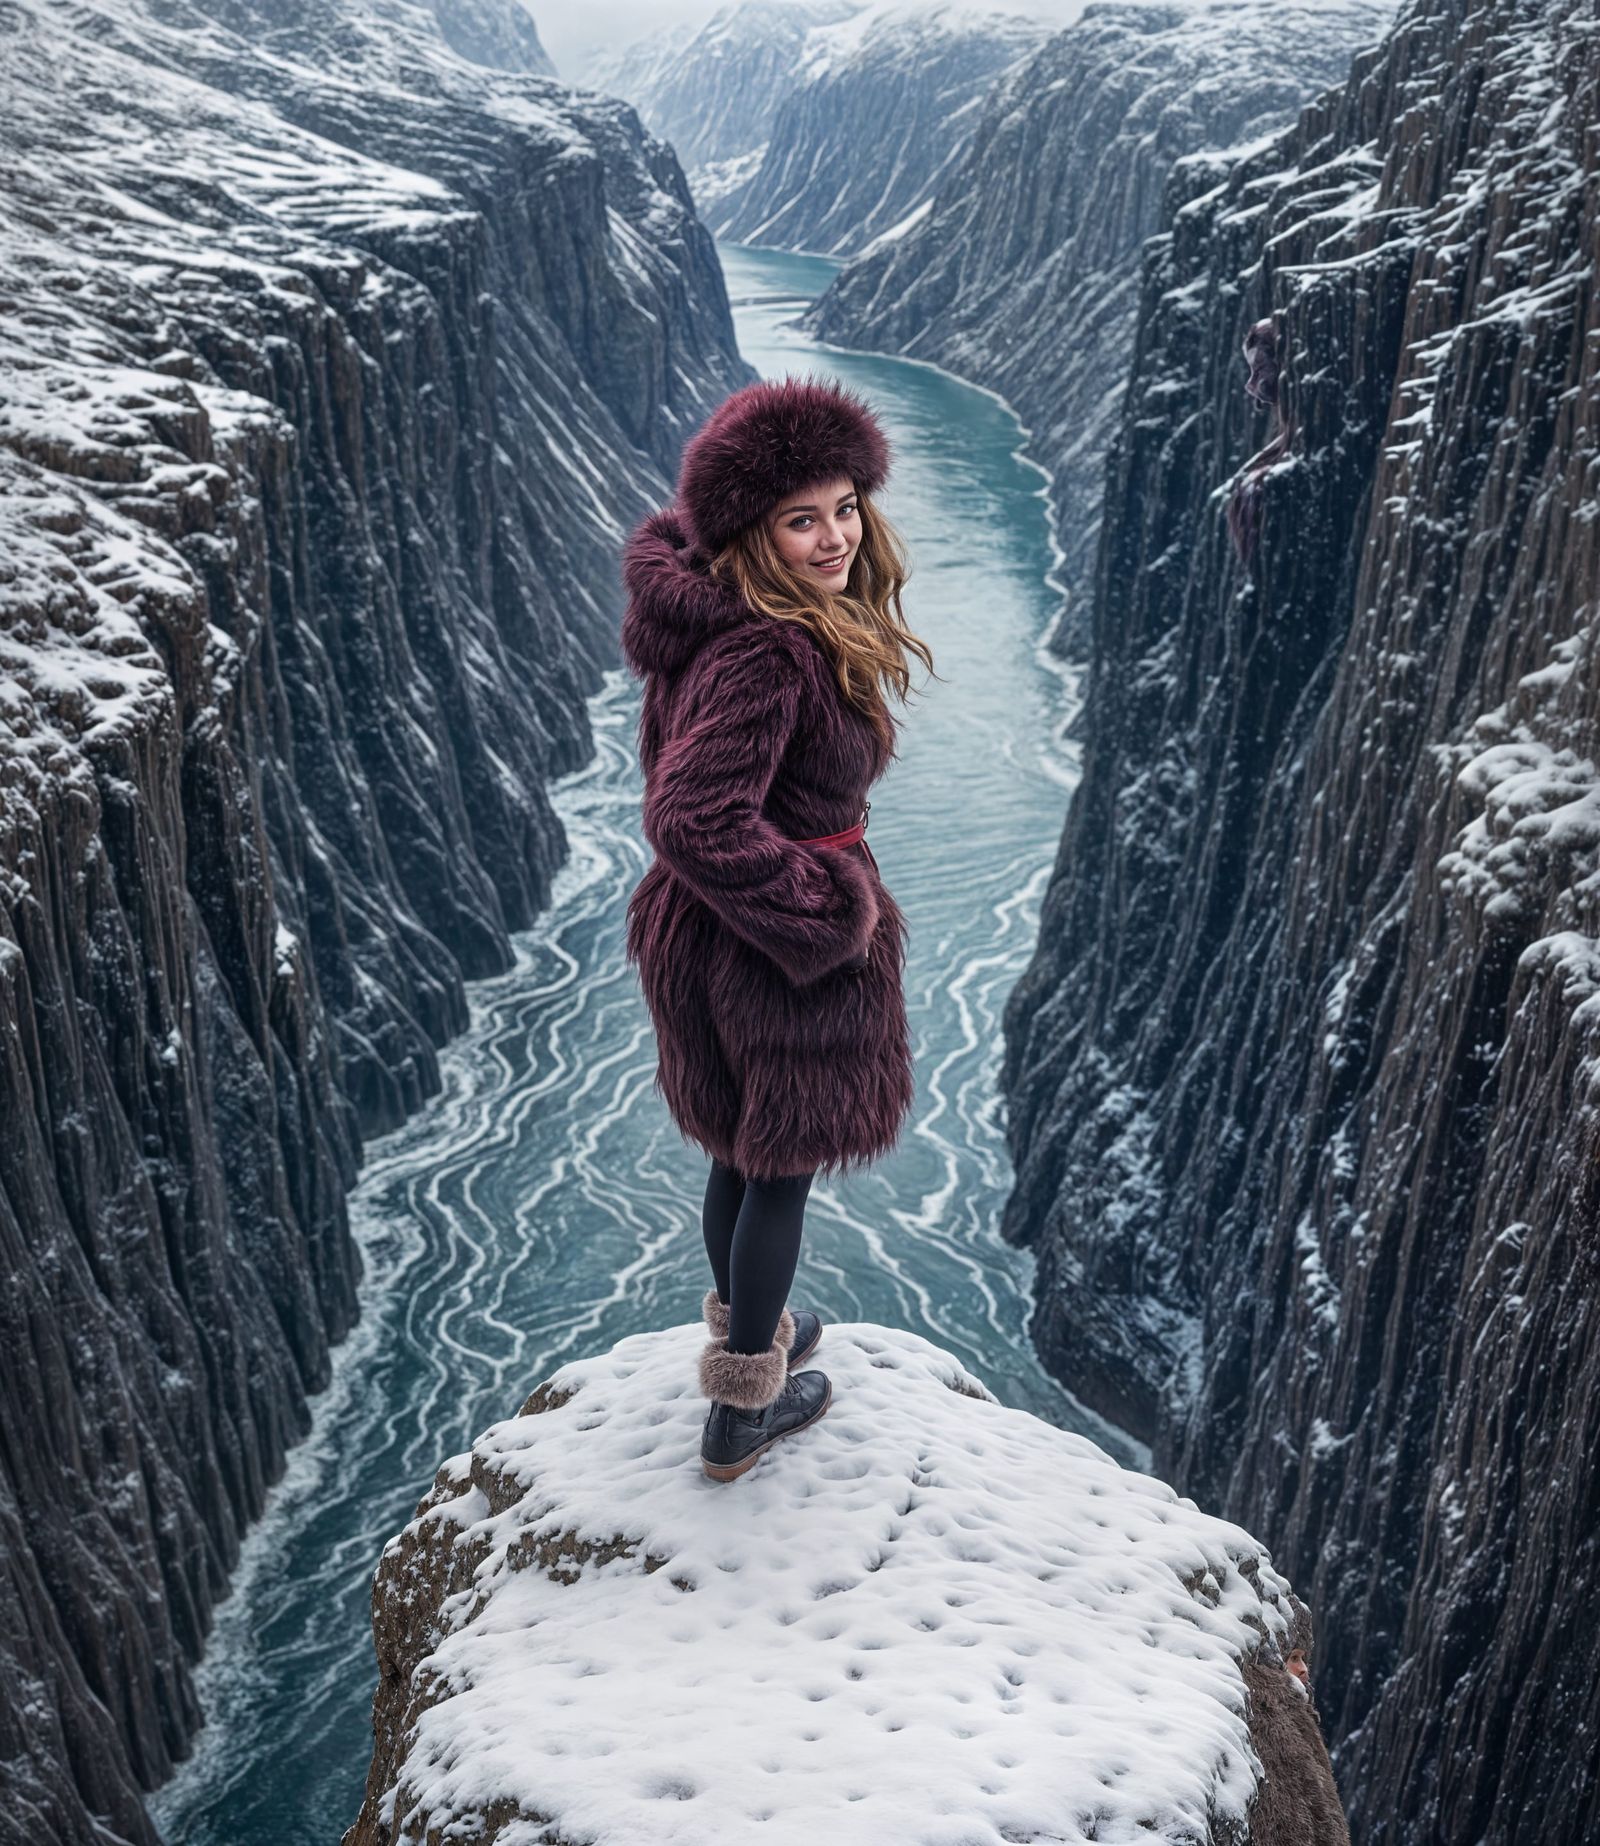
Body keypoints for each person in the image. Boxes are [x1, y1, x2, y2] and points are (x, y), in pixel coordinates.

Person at [620, 376, 932, 1482]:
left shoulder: (715, 613)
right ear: (755, 530)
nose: (834, 535)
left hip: (710, 933)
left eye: (845, 506)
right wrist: (822, 915)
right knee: (781, 1170)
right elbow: (693, 815)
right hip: (769, 941)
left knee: (738, 1149)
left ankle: (750, 1329)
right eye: (802, 518)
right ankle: (746, 1398)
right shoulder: (770, 649)